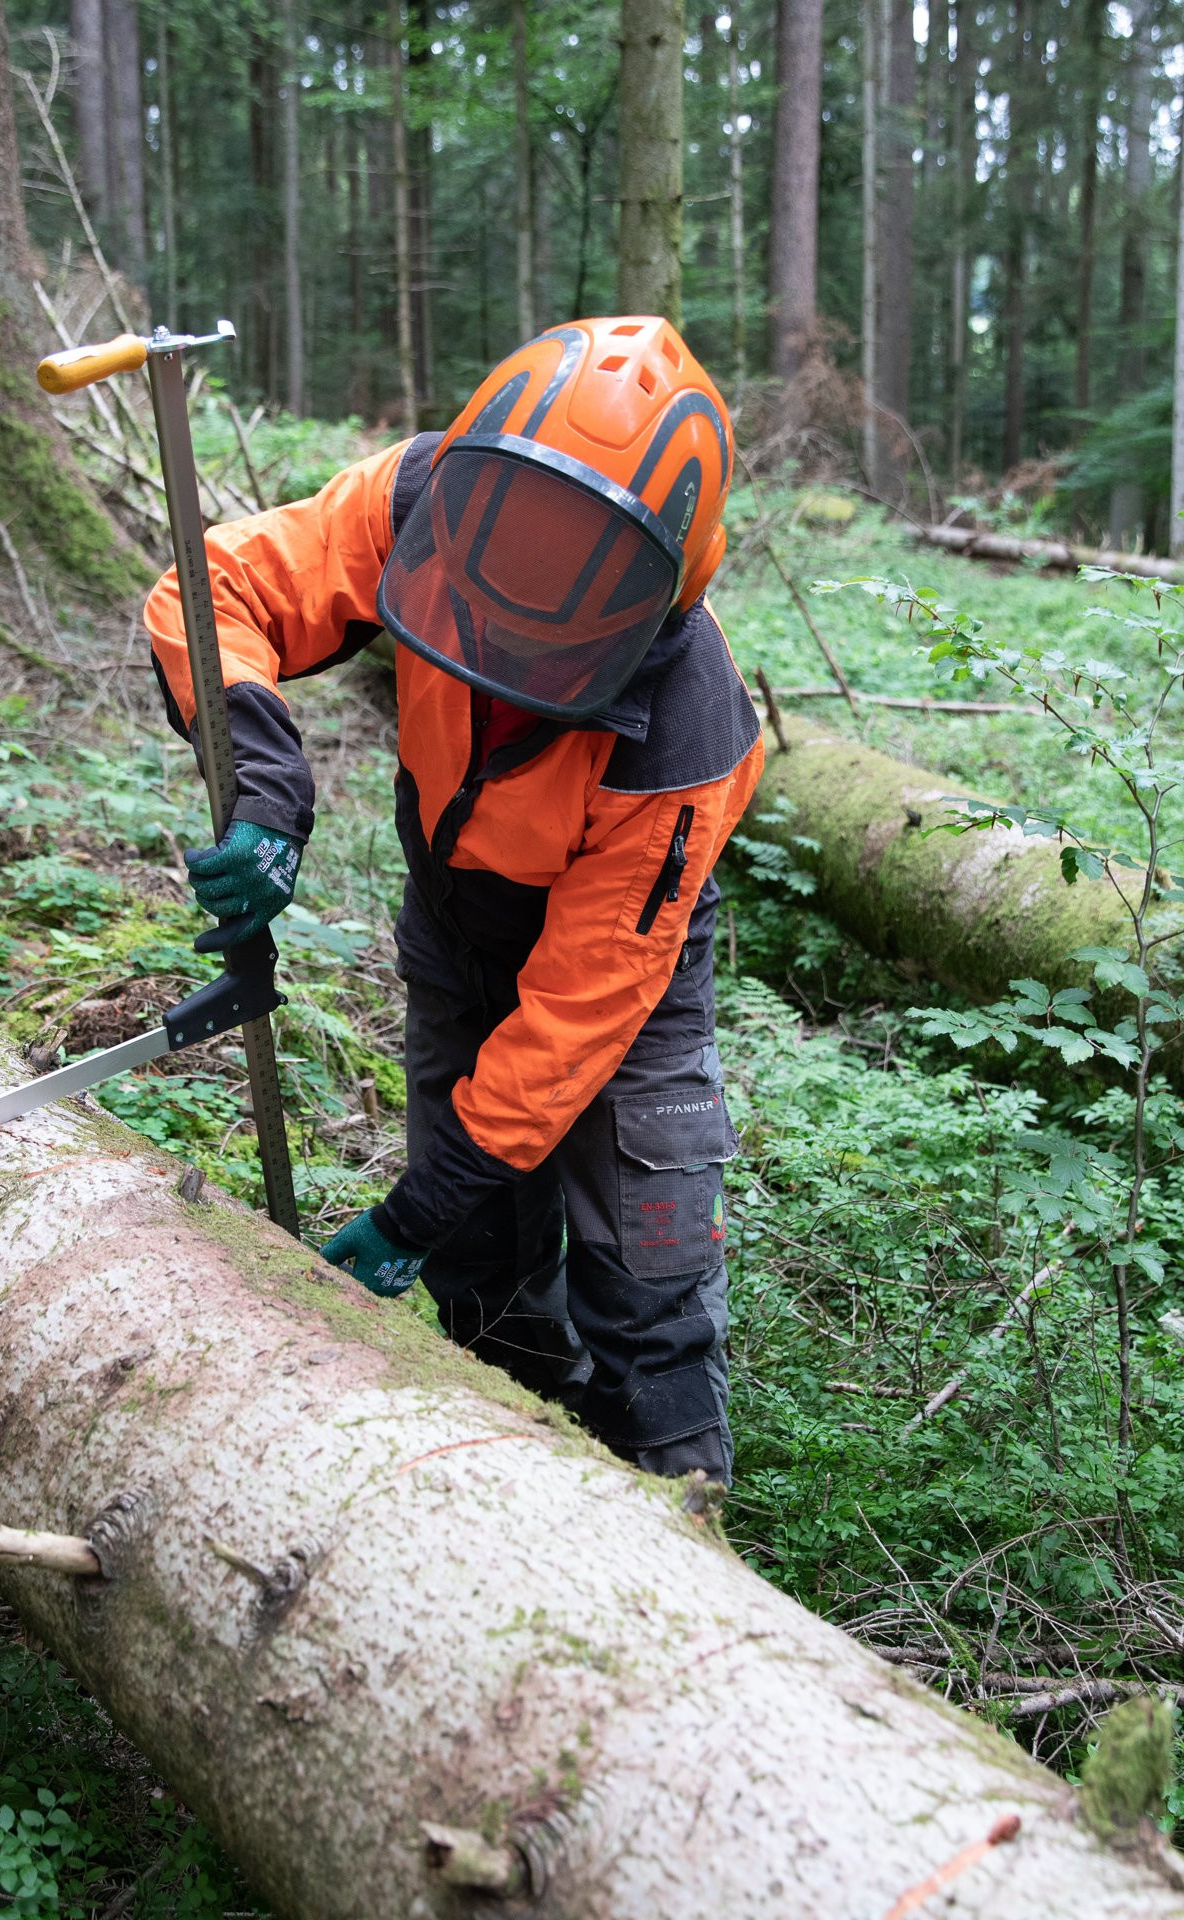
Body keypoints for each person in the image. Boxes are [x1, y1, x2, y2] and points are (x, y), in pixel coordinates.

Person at [143, 317, 763, 1482]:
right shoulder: (425, 498)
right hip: (456, 924)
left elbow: (577, 1017)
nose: (516, 638)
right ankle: (508, 1470)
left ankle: (676, 1507)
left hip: (621, 986)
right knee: (483, 1265)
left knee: (650, 1291)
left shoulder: (684, 737)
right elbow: (219, 585)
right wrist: (264, 774)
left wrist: (411, 1212)